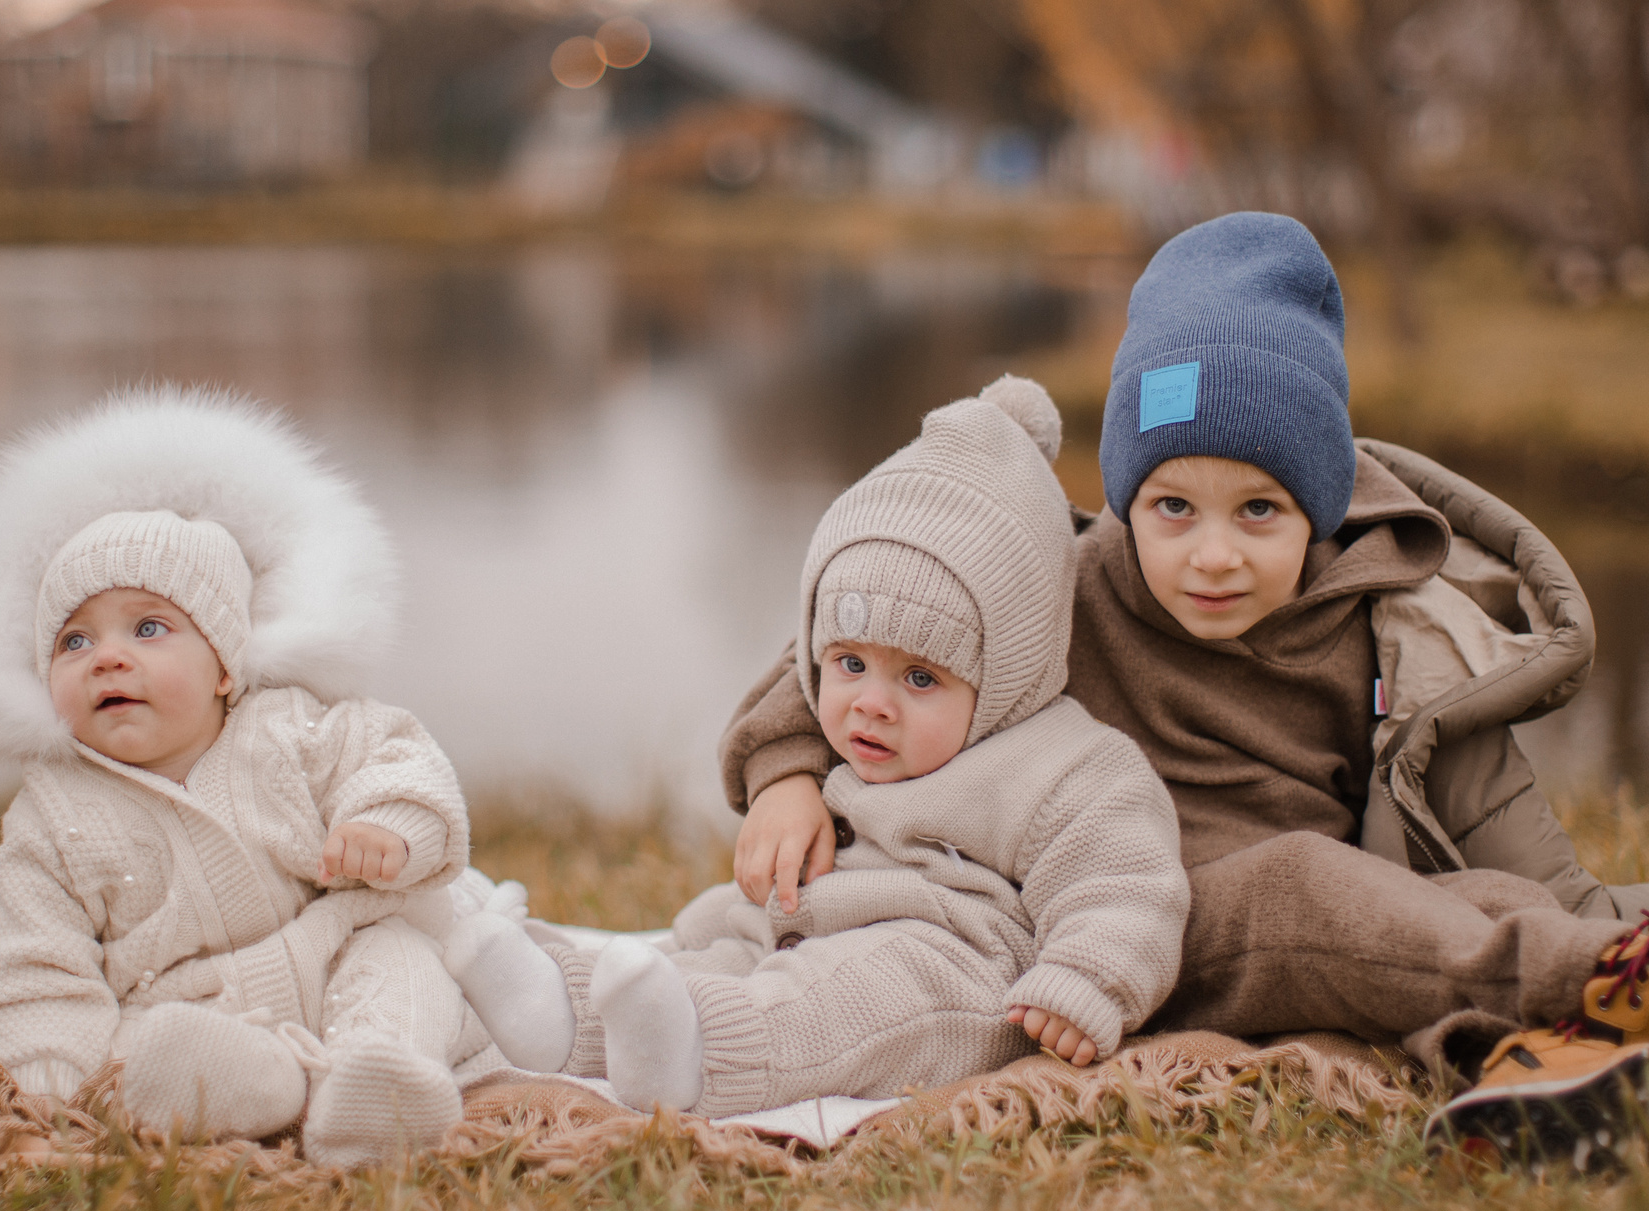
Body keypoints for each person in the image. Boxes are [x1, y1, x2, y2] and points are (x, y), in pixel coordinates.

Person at [718, 214, 1649, 1158]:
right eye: (1173, 508)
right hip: (1109, 915)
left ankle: (1544, 1075)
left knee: (1449, 913)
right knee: (1306, 889)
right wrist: (785, 776)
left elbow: (1513, 846)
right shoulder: (1059, 580)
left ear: (1316, 505)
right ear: (1125, 501)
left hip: (1327, 921)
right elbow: (861, 623)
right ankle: (1615, 983)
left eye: (1257, 510)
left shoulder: (1391, 634)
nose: (1212, 555)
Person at [443, 378, 1190, 1114]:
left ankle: (697, 1056)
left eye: (921, 677)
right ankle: (558, 1000)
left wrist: (1086, 980)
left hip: (948, 969)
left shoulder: (1063, 764)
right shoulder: (839, 736)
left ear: (1008, 673)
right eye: (850, 663)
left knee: (834, 1003)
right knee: (701, 952)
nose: (871, 701)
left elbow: (1129, 883)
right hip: (798, 924)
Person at [0, 388, 483, 1167]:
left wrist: (389, 826)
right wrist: (47, 1085)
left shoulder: (289, 723)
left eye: (148, 627)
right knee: (147, 1055)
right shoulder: (51, 813)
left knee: (405, 958)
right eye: (74, 641)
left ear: (223, 665)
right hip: (191, 1008)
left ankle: (378, 1076)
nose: (107, 655)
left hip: (328, 953)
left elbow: (395, 755)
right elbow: (39, 968)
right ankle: (271, 1088)